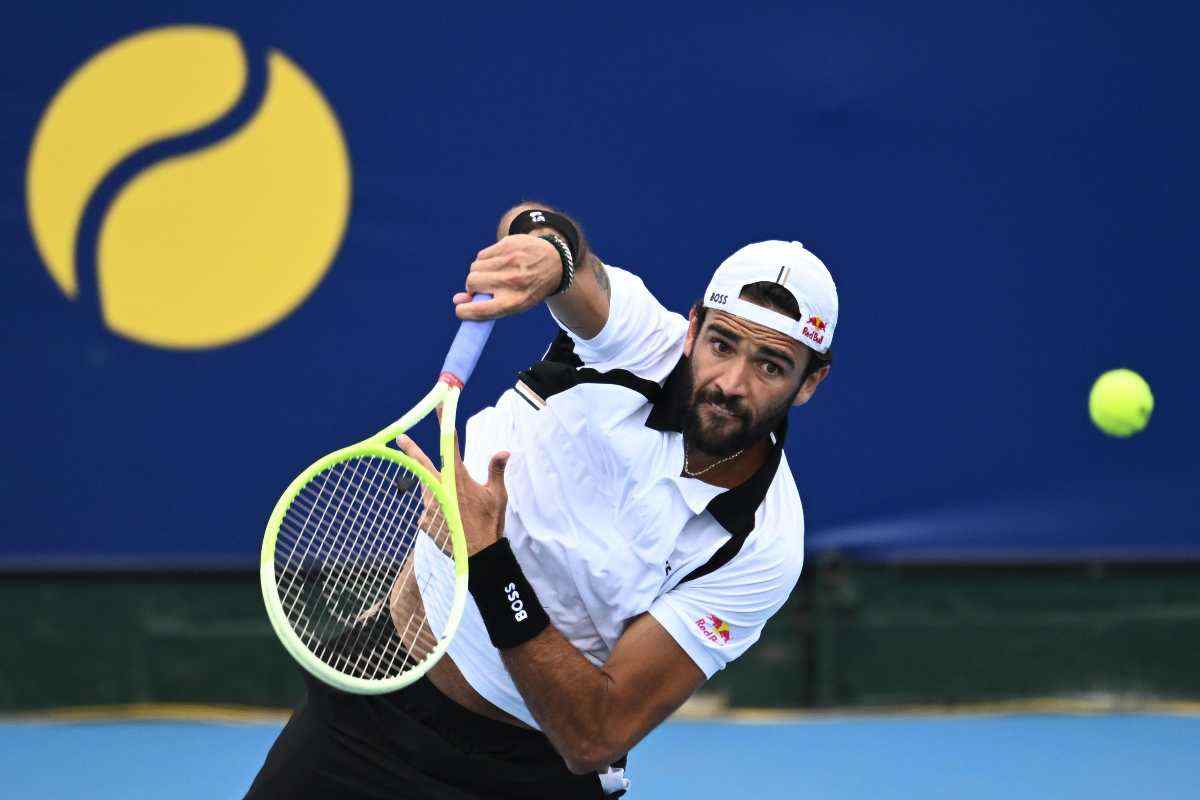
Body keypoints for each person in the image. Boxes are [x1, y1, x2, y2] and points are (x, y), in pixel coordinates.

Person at [244, 203, 838, 799]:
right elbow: (545, 233)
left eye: (770, 365)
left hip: (528, 772)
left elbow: (595, 734)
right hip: (375, 704)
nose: (732, 382)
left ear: (809, 383)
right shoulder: (636, 340)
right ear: (691, 329)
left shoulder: (763, 544)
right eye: (722, 344)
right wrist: (548, 254)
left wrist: (488, 560)